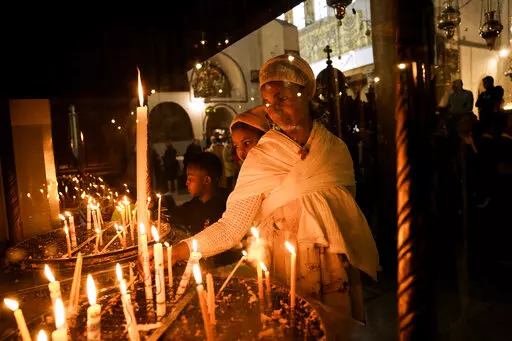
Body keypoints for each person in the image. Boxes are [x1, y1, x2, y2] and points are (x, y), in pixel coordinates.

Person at [169, 54, 378, 321]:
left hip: (336, 265)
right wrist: (177, 251)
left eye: (282, 99)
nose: (275, 110)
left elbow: (346, 208)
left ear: (305, 94)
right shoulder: (262, 156)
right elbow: (232, 227)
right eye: (268, 103)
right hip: (287, 267)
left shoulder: (334, 149)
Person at [167, 152, 235, 266]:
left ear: (207, 180)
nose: (186, 183)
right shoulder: (195, 203)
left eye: (190, 178)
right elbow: (178, 214)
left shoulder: (226, 204)